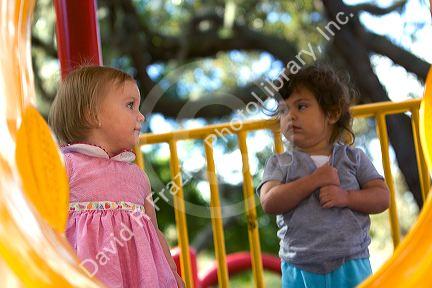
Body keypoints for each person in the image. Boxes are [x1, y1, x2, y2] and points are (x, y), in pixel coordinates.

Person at [49, 65, 184, 288]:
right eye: (130, 105)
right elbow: (44, 223)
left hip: (139, 278)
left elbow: (155, 231)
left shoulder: (137, 176)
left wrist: (172, 273)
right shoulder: (66, 165)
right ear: (92, 115)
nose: (141, 116)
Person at [257, 64, 390, 288]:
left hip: (351, 261)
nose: (290, 116)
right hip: (299, 266)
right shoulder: (279, 163)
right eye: (282, 110)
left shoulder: (353, 158)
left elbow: (381, 197)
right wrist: (313, 181)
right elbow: (269, 202)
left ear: (332, 113)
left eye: (301, 106)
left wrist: (347, 197)